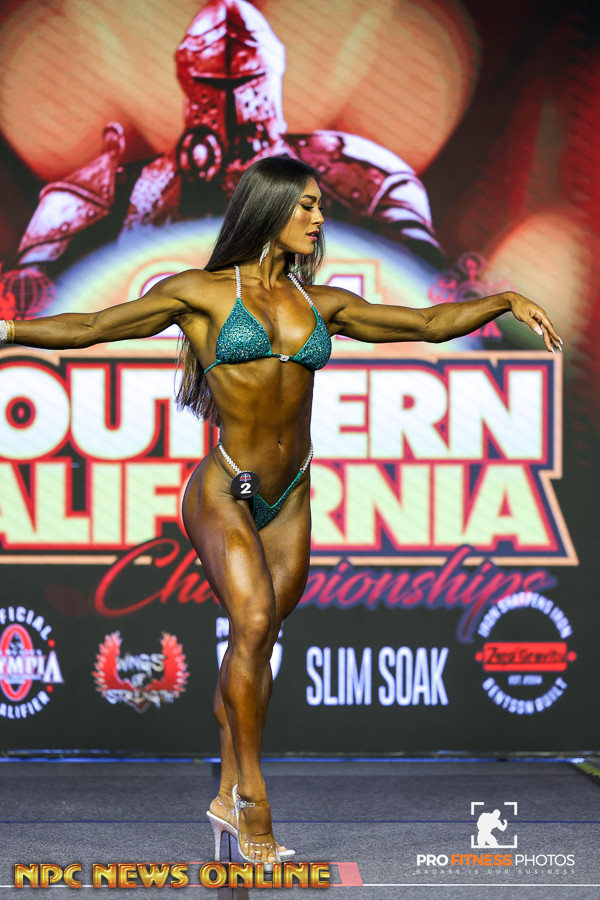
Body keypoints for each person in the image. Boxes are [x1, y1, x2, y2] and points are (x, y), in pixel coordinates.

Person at [0, 156, 561, 865]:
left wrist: (504, 300)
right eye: (307, 205)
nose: (320, 218)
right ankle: (253, 800)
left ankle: (223, 794)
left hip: (290, 494)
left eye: (321, 205)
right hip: (222, 490)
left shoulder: (321, 303)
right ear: (269, 210)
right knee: (255, 622)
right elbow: (90, 325)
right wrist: (9, 331)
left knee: (256, 645)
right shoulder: (201, 294)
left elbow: (426, 320)